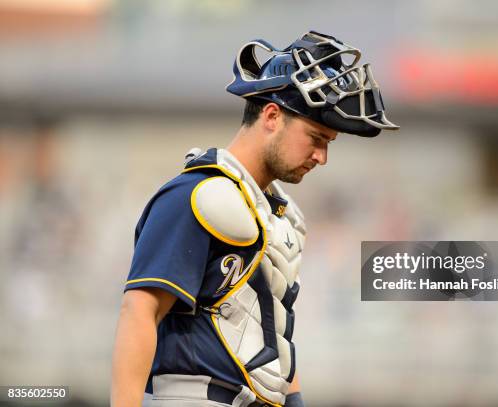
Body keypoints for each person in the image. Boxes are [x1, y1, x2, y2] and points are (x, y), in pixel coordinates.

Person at [111, 31, 398, 407]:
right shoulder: (196, 195)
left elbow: (274, 330)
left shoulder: (281, 214)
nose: (322, 156)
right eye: (316, 137)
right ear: (272, 116)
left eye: (329, 142)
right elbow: (140, 310)